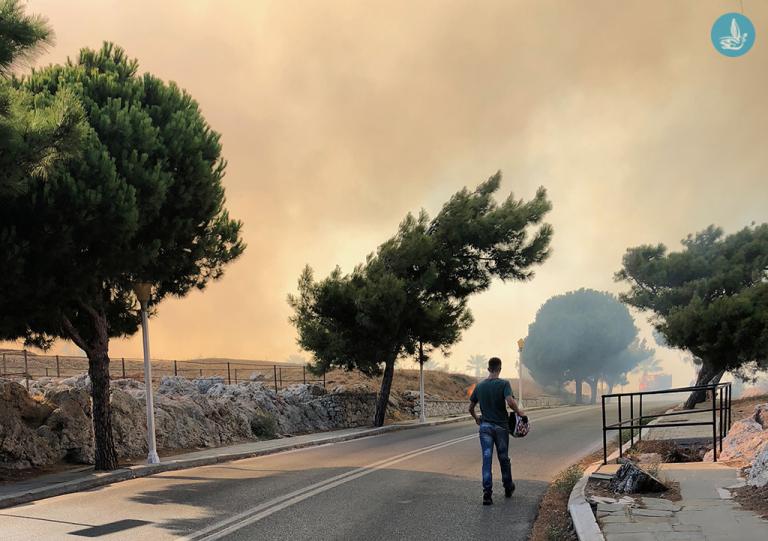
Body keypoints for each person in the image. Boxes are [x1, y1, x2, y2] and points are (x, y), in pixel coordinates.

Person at [468, 356, 527, 505]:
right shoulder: (504, 384)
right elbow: (510, 401)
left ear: (488, 369)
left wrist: (476, 418)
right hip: (501, 427)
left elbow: (470, 407)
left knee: (486, 459)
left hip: (485, 427)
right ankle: (508, 486)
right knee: (503, 457)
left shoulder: (480, 386)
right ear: (499, 369)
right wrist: (520, 413)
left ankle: (487, 494)